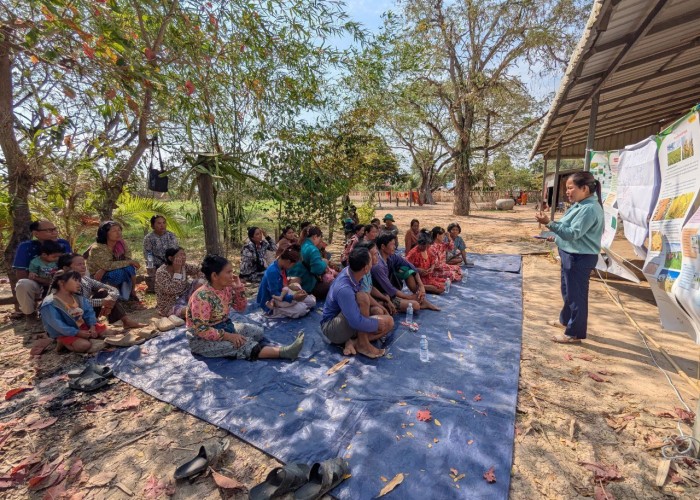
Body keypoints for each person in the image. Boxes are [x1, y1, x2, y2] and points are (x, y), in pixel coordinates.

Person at [186, 255, 304, 360]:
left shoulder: (226, 288)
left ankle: (252, 346)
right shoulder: (201, 297)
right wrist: (229, 336)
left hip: (224, 327)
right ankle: (284, 352)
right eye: (228, 272)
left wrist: (238, 289)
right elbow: (201, 330)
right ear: (214, 276)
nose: (232, 276)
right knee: (242, 344)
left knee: (257, 332)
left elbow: (241, 308)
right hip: (201, 339)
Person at [535, 172, 604, 344]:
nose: (567, 192)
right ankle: (565, 320)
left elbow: (572, 234)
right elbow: (567, 228)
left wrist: (548, 223)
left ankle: (574, 333)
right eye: (567, 188)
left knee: (576, 297)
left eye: (570, 188)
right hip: (570, 253)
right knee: (567, 292)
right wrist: (555, 236)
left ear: (584, 188)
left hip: (579, 258)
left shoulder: (588, 209)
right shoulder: (579, 205)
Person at [321, 247, 394, 359]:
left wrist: (380, 306)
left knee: (382, 315)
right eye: (371, 258)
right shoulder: (344, 289)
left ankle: (354, 342)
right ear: (366, 268)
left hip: (346, 317)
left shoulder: (353, 272)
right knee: (364, 299)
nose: (376, 258)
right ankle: (363, 345)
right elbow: (356, 322)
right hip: (332, 328)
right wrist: (376, 324)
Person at [58, 253, 146, 329]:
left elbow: (112, 289)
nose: (83, 267)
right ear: (66, 268)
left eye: (83, 264)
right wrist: (103, 302)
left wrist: (109, 300)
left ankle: (126, 321)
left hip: (86, 312)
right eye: (79, 264)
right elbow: (78, 303)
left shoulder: (85, 279)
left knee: (104, 292)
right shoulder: (64, 284)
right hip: (72, 317)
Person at [12, 220, 72, 319]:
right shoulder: (26, 247)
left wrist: (57, 281)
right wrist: (43, 280)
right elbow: (21, 273)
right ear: (36, 233)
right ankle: (30, 316)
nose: (54, 232)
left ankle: (76, 311)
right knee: (22, 284)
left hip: (60, 281)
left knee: (82, 274)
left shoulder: (63, 244)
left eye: (55, 229)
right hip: (36, 282)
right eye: (49, 230)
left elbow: (71, 265)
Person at [40, 270, 111, 353]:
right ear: (61, 282)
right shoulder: (49, 303)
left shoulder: (78, 297)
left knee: (109, 332)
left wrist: (92, 326)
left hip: (83, 327)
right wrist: (77, 333)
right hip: (64, 332)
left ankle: (87, 338)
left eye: (79, 281)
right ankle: (61, 342)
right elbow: (58, 325)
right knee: (84, 345)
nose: (79, 284)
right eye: (75, 280)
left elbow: (89, 312)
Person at [372, 234, 440, 312]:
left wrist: (421, 286)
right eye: (392, 244)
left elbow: (411, 266)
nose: (395, 247)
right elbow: (390, 289)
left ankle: (420, 300)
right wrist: (408, 297)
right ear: (383, 247)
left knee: (408, 271)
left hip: (390, 290)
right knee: (415, 305)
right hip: (383, 294)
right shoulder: (378, 266)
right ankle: (386, 304)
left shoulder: (391, 257)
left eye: (394, 244)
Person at [257, 244, 316, 318]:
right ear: (288, 261)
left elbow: (283, 284)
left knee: (312, 302)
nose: (292, 267)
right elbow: (275, 294)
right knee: (302, 309)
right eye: (293, 265)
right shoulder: (272, 271)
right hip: (273, 299)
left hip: (283, 293)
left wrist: (295, 289)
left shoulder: (282, 267)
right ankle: (274, 311)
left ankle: (296, 305)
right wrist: (293, 297)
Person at [88, 221, 140, 300]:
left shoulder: (122, 244)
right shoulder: (97, 248)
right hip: (98, 277)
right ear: (105, 234)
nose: (118, 233)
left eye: (119, 230)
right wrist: (106, 268)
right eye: (114, 231)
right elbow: (108, 265)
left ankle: (132, 292)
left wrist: (104, 269)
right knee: (118, 272)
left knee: (130, 268)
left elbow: (127, 259)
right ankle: (112, 295)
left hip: (110, 270)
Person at [155, 247, 205, 318]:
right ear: (171, 258)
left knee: (200, 282)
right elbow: (172, 290)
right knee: (189, 310)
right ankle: (192, 309)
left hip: (185, 297)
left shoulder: (184, 266)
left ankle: (195, 305)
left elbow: (200, 270)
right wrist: (177, 272)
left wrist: (200, 278)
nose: (184, 257)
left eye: (184, 254)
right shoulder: (161, 272)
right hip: (170, 304)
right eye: (181, 255)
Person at [288, 225, 334, 299]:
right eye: (319, 238)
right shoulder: (312, 249)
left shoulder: (300, 244)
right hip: (307, 286)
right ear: (315, 237)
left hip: (294, 282)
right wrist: (324, 263)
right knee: (335, 285)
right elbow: (317, 270)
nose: (320, 241)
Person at [356, 241, 395, 316]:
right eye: (374, 254)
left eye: (377, 253)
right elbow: (366, 296)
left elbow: (370, 287)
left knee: (386, 299)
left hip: (368, 298)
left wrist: (385, 299)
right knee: (379, 311)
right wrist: (382, 307)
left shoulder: (368, 269)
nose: (378, 256)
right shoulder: (362, 272)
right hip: (362, 303)